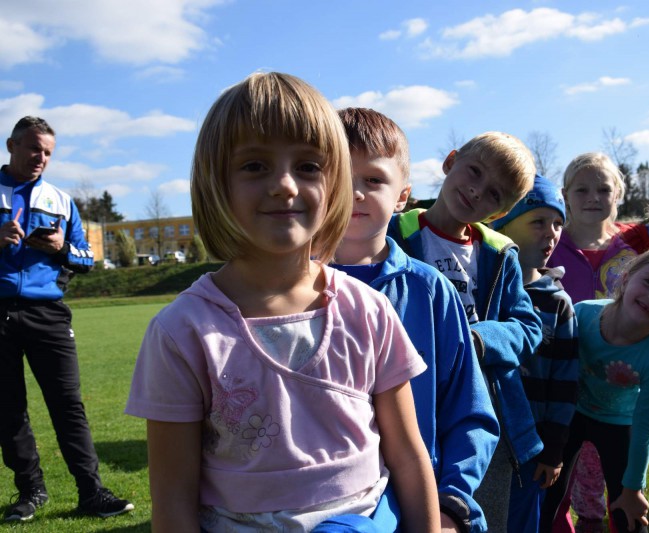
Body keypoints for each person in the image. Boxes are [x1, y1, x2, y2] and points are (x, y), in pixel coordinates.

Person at [125, 72, 440, 532]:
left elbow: (409, 457)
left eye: (309, 166)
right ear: (216, 182)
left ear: (335, 184)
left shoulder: (368, 310)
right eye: (255, 166)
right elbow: (173, 501)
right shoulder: (182, 331)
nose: (285, 185)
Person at [331, 107, 500, 532]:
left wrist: (451, 506)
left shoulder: (430, 291)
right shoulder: (289, 289)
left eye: (373, 180)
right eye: (339, 177)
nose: (355, 193)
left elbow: (470, 412)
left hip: (420, 511)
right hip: (323, 510)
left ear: (402, 196)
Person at [386, 131, 545, 529]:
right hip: (403, 398)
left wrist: (478, 339)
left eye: (494, 194)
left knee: (467, 513)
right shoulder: (391, 233)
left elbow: (528, 326)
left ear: (499, 211)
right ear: (450, 161)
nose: (477, 190)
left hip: (481, 412)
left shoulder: (499, 254)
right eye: (474, 171)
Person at [0, 116, 134, 521]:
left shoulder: (60, 200)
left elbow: (86, 258)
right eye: (34, 148)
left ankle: (91, 493)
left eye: (47, 152)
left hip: (48, 314)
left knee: (68, 405)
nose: (41, 157)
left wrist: (60, 248)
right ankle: (30, 492)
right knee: (8, 408)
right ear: (11, 145)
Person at [540, 245, 649, 533]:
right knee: (545, 497)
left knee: (627, 512)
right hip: (571, 414)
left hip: (618, 425)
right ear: (627, 278)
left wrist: (633, 489)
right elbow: (553, 372)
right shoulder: (582, 314)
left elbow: (645, 428)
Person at [547, 152, 639, 533]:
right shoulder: (549, 242)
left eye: (603, 189)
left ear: (618, 193)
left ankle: (600, 519)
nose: (593, 197)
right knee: (559, 463)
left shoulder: (635, 244)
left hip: (618, 380)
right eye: (582, 189)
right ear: (566, 195)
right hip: (561, 374)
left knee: (612, 465)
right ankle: (567, 521)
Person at [488, 175, 579, 532]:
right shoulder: (484, 288)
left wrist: (554, 450)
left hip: (532, 451)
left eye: (558, 223)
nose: (551, 233)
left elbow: (564, 385)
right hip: (480, 440)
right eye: (538, 221)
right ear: (502, 223)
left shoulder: (558, 303)